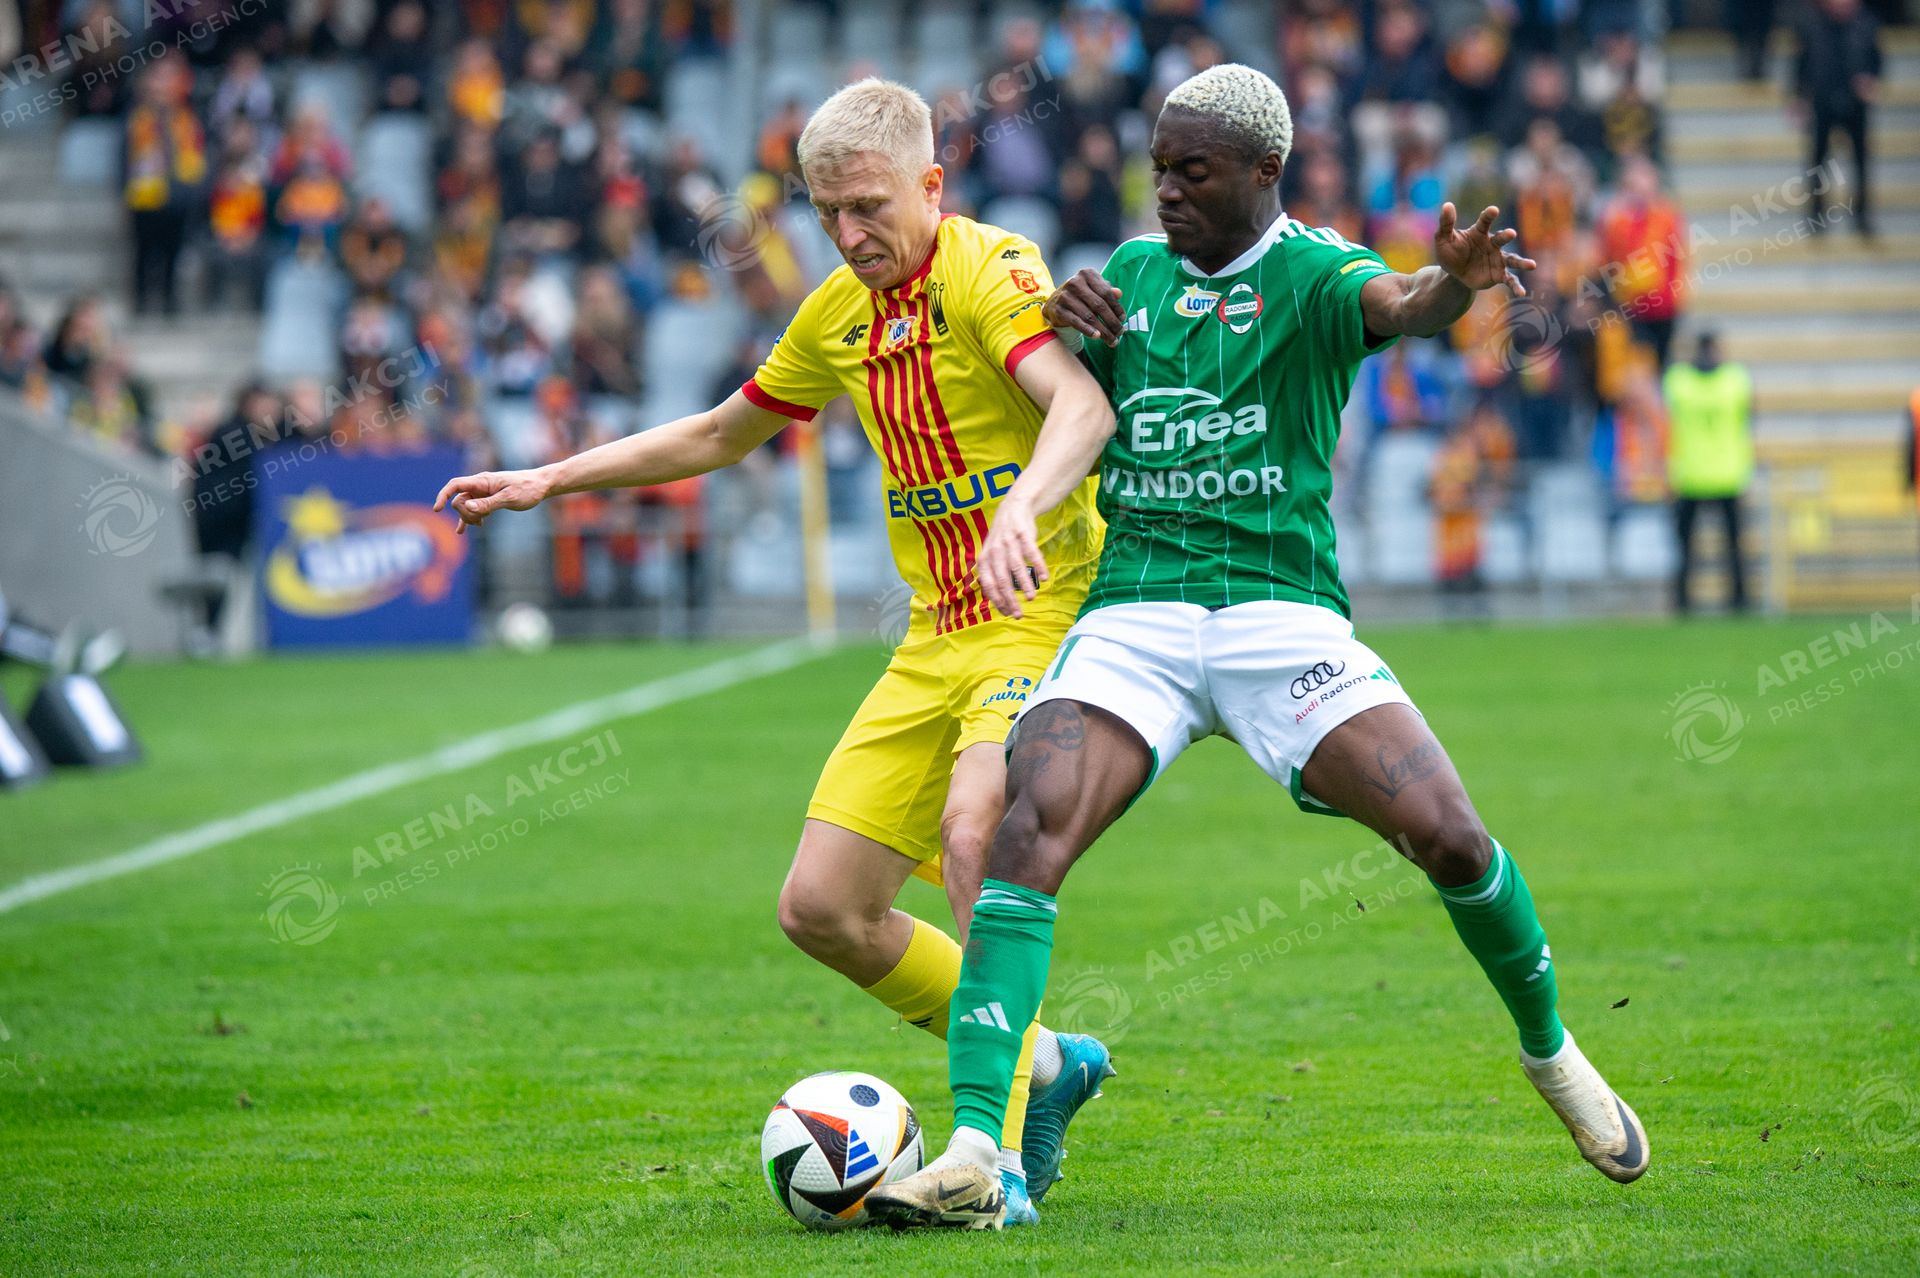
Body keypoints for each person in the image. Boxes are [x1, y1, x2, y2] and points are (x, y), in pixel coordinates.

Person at [868, 65, 1648, 1232]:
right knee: (1025, 828)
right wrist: (1065, 331)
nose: (1168, 191)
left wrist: (1453, 281)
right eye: (1159, 169)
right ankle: (984, 1153)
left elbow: (1403, 305)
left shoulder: (1316, 272)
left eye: (1194, 171)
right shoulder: (1132, 278)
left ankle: (1552, 1052)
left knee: (1450, 834)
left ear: (1264, 171)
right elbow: (1060, 400)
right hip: (1136, 609)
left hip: (1279, 613)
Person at [435, 79, 1117, 1226]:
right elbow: (719, 431)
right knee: (821, 908)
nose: (847, 235)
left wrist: (1022, 509)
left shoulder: (991, 270)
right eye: (826, 213)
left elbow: (1081, 408)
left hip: (1042, 613)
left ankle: (985, 1161)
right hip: (935, 637)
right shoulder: (836, 315)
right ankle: (1047, 1066)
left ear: (931, 186)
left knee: (974, 834)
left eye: (868, 207)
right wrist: (551, 477)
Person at [1665, 332, 1754, 614]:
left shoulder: (1678, 381)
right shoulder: (1735, 380)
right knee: (1730, 546)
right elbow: (1749, 419)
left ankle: (1684, 603)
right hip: (1722, 473)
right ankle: (1738, 601)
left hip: (1693, 473)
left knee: (1688, 546)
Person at [1794, 0, 1883, 236]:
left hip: (1855, 103)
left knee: (1860, 161)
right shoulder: (1811, 25)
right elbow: (1801, 64)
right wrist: (1800, 98)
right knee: (1818, 161)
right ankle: (1816, 216)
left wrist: (1871, 81)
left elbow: (1876, 60)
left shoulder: (1866, 24)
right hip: (1823, 101)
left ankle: (1862, 216)